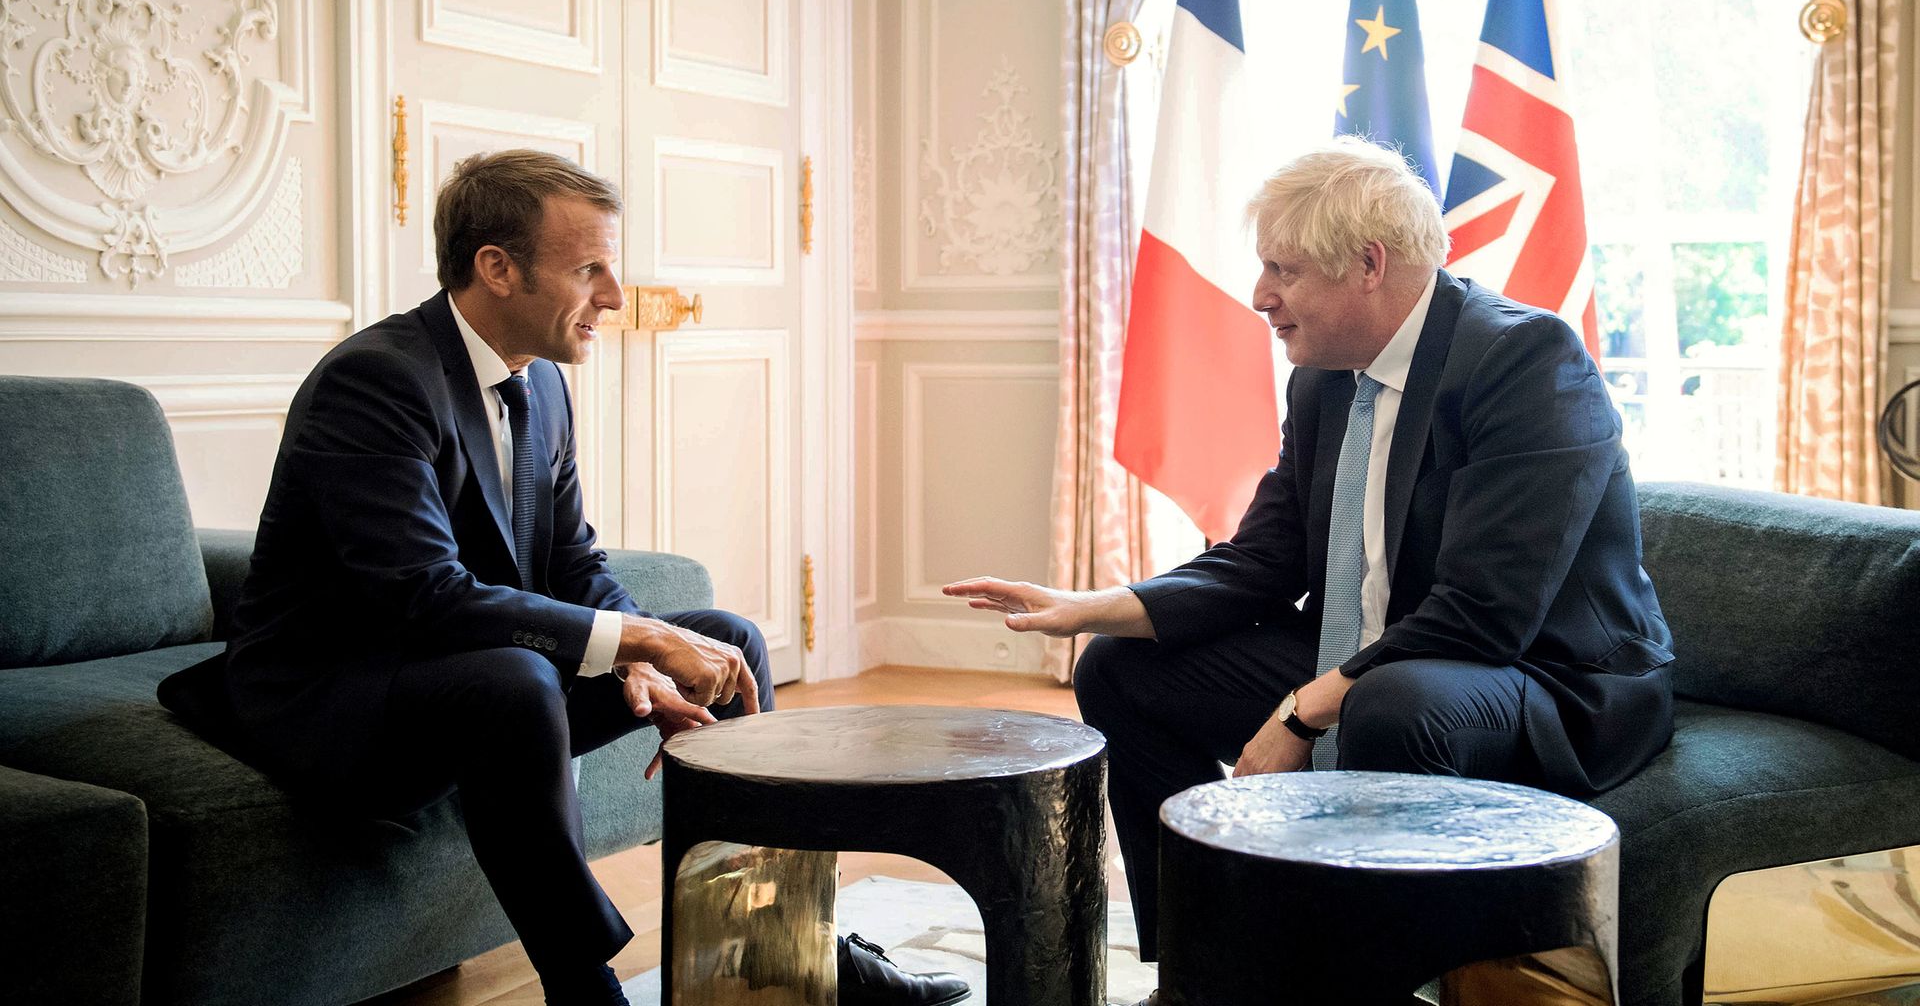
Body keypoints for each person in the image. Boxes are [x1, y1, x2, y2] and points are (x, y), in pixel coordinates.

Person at [164, 151, 969, 1006]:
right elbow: (419, 595)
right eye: (590, 269)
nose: (615, 297)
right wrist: (636, 637)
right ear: (497, 268)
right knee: (511, 681)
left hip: (462, 673)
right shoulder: (376, 382)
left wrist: (642, 655)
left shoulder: (539, 380)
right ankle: (586, 991)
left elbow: (574, 562)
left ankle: (782, 946)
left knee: (724, 639)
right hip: (335, 693)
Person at [946, 136, 1674, 963]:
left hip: (1544, 682)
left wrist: (1302, 710)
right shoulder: (1325, 375)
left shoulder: (1524, 361)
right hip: (1375, 658)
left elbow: (1486, 613)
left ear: (1368, 263)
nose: (1260, 296)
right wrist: (1096, 607)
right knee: (1119, 666)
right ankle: (1203, 960)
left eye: (1283, 271)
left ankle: (1365, 977)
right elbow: (1264, 560)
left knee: (1393, 702)